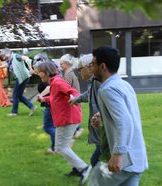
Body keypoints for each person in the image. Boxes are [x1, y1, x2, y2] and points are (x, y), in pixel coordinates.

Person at [88, 46, 148, 186]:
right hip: (136, 158)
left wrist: (118, 154)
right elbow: (128, 113)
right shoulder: (123, 84)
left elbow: (125, 121)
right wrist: (103, 116)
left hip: (122, 160)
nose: (91, 68)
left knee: (95, 182)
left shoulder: (108, 89)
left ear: (102, 66)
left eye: (93, 64)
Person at [37, 62, 91, 186]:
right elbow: (56, 99)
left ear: (46, 72)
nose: (38, 73)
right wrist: (44, 99)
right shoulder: (54, 82)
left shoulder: (57, 82)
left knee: (60, 147)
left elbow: (74, 92)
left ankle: (84, 168)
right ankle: (76, 169)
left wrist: (74, 98)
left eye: (39, 71)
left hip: (68, 118)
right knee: (62, 146)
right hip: (67, 118)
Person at [69, 54, 102, 167]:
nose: (79, 72)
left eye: (80, 69)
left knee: (96, 161)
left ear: (90, 67)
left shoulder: (98, 81)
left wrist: (101, 116)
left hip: (104, 130)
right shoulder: (94, 82)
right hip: (101, 130)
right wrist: (76, 99)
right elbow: (89, 94)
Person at [0, 48, 37, 117]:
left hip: (21, 77)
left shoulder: (16, 56)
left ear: (8, 53)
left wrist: (30, 68)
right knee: (19, 96)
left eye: (4, 55)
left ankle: (14, 112)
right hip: (24, 77)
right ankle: (32, 107)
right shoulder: (11, 60)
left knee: (15, 94)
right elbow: (7, 65)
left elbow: (27, 58)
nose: (3, 58)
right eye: (2, 57)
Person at [33, 53, 55, 154]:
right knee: (53, 126)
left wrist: (41, 95)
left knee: (48, 127)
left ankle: (56, 147)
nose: (38, 73)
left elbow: (49, 87)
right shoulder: (50, 72)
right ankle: (59, 145)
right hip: (50, 103)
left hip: (50, 104)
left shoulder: (52, 79)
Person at [59, 54, 84, 139]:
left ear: (66, 63)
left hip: (73, 98)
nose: (60, 65)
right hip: (74, 97)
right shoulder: (68, 72)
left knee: (71, 115)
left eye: (61, 63)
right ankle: (76, 130)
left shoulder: (68, 74)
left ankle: (77, 129)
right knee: (72, 115)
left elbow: (66, 88)